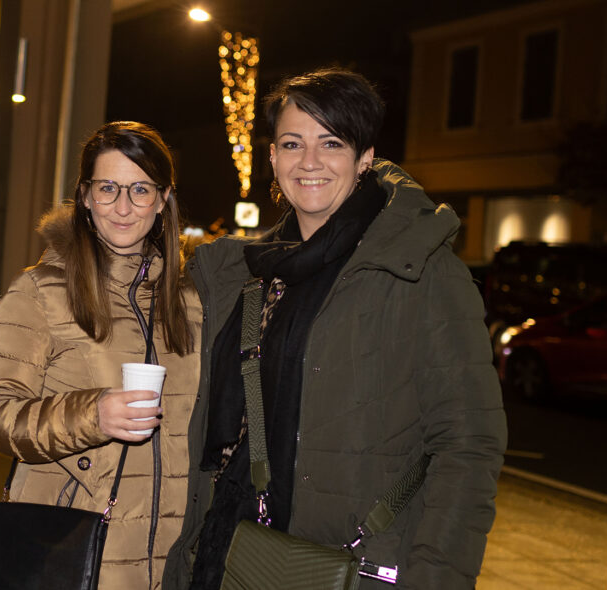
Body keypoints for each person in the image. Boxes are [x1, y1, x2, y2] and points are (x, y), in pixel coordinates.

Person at [163, 68, 507, 589]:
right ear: (273, 157)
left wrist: (435, 579)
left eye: (332, 143)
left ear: (365, 157)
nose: (310, 162)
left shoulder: (419, 268)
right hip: (232, 552)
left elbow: (468, 444)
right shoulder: (251, 273)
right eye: (292, 143)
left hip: (357, 566)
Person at [0, 121, 202, 590]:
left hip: (171, 559)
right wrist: (92, 416)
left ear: (163, 200)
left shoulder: (191, 301)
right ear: (84, 197)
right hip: (71, 551)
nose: (123, 207)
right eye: (107, 188)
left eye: (140, 189)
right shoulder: (41, 291)